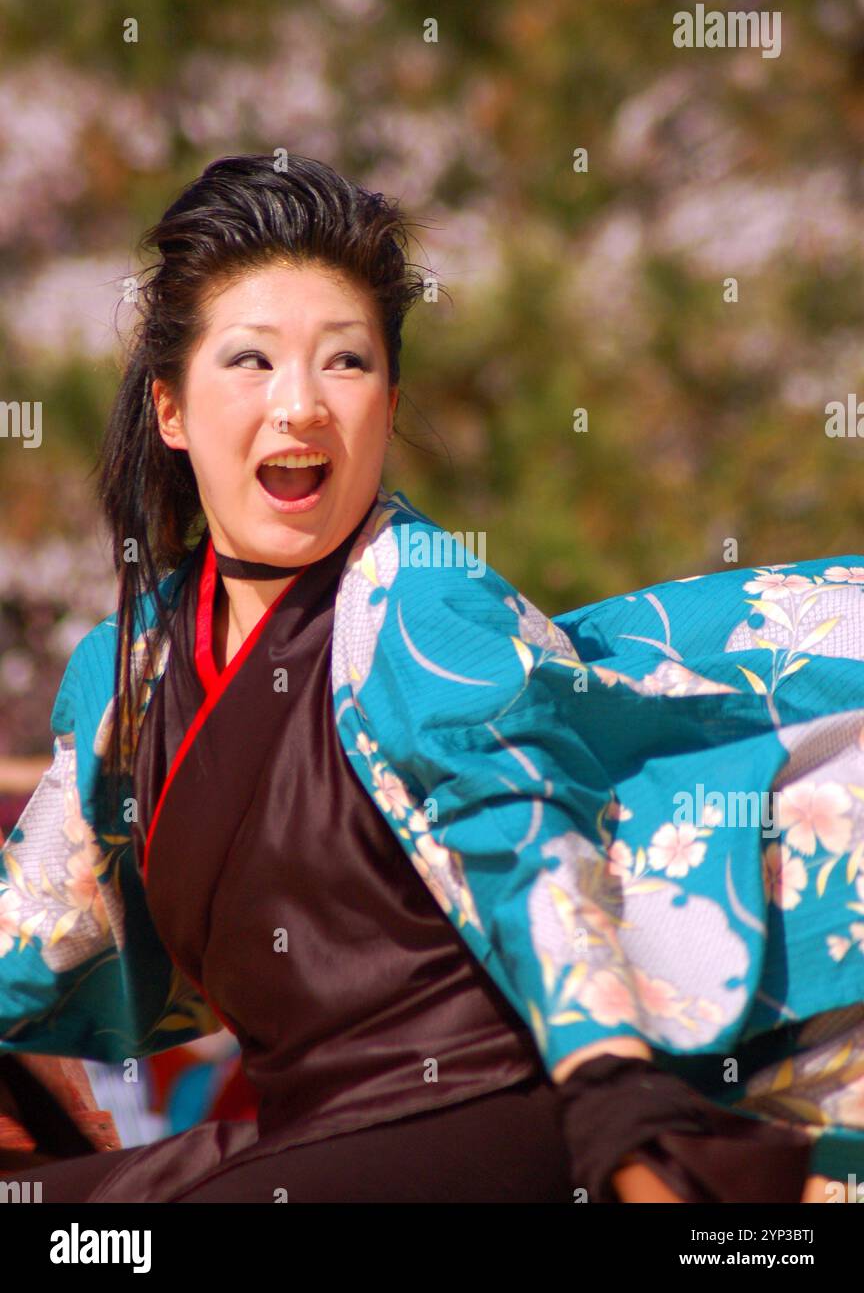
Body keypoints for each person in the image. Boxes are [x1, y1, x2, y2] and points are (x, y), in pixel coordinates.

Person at [1, 153, 862, 1203]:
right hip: (315, 1145)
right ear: (171, 410)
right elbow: (32, 928)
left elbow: (529, 842)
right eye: (251, 362)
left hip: (483, 1115)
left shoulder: (414, 597)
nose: (302, 406)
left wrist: (613, 1097)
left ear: (391, 399)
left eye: (346, 364)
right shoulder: (127, 672)